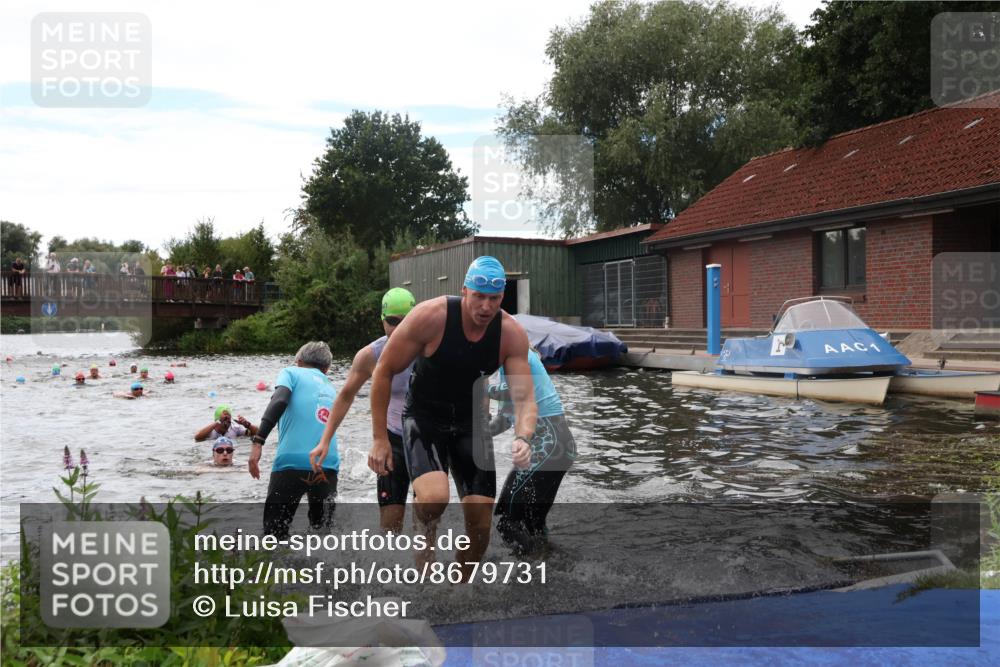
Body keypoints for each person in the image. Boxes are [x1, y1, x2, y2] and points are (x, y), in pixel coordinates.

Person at [369, 256, 536, 579]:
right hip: (424, 418)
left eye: (495, 299)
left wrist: (523, 436)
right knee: (434, 500)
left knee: (481, 525)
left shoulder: (510, 334)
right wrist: (379, 439)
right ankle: (424, 529)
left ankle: (457, 587)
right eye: (479, 297)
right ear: (464, 291)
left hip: (472, 424)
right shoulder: (431, 317)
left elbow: (525, 397)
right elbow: (383, 371)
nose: (486, 307)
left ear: (503, 298)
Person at [309, 288, 417, 533]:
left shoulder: (430, 348)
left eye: (406, 322)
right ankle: (390, 569)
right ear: (382, 320)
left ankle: (424, 568)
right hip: (392, 441)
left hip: (425, 439)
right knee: (390, 526)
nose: (398, 329)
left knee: (427, 515)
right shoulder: (370, 356)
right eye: (392, 322)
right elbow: (346, 396)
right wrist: (325, 440)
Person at [490, 348, 576, 557]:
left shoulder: (520, 355)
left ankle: (536, 568)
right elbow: (504, 418)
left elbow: (518, 393)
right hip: (551, 448)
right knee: (532, 523)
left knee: (508, 524)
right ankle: (553, 565)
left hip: (549, 445)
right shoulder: (505, 367)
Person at [248, 341, 339, 539]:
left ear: (298, 361)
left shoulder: (290, 372)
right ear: (327, 368)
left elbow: (279, 400)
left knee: (274, 535)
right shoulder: (331, 386)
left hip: (292, 463)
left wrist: (258, 441)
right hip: (328, 464)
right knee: (323, 536)